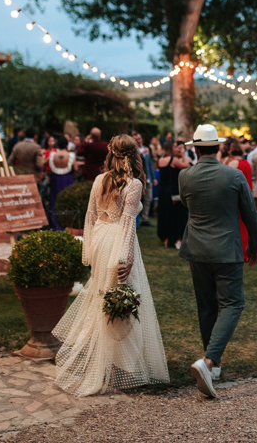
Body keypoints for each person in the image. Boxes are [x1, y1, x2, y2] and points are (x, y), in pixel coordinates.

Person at [53, 135, 169, 396]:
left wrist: (90, 250)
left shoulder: (98, 180)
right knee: (123, 297)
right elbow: (128, 223)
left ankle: (114, 361)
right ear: (133, 155)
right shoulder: (134, 184)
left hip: (101, 239)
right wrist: (126, 259)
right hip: (118, 239)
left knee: (104, 297)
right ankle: (118, 365)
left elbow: (91, 216)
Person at [179, 124, 257, 399]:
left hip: (196, 249)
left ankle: (212, 366)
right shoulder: (234, 175)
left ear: (196, 149)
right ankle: (209, 361)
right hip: (226, 249)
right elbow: (251, 214)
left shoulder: (184, 176)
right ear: (218, 147)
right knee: (233, 303)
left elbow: (188, 206)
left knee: (207, 307)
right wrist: (253, 246)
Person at [224, 142, 257, 261]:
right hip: (247, 196)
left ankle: (246, 251)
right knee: (249, 224)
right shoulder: (247, 163)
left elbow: (226, 181)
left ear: (231, 151)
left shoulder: (233, 164)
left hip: (236, 198)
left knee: (240, 226)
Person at [156, 141, 190, 248]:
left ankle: (165, 237)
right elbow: (186, 166)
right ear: (171, 149)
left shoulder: (160, 160)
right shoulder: (173, 160)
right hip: (172, 190)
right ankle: (174, 238)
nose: (177, 149)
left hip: (162, 190)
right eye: (175, 147)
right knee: (174, 214)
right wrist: (183, 154)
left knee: (164, 213)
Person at [47, 145, 77, 230]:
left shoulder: (53, 155)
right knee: (67, 200)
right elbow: (75, 168)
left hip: (55, 178)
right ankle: (67, 224)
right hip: (67, 179)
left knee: (54, 199)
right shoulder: (71, 155)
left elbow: (50, 167)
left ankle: (54, 224)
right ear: (66, 145)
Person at [132, 132, 155, 227]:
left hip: (148, 178)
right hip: (139, 179)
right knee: (138, 199)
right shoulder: (133, 151)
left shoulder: (147, 149)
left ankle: (145, 218)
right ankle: (135, 220)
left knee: (148, 199)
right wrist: (141, 153)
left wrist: (153, 177)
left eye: (139, 138)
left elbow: (150, 164)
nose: (139, 141)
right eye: (136, 139)